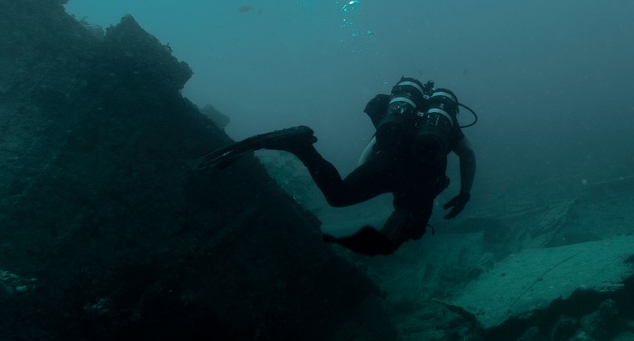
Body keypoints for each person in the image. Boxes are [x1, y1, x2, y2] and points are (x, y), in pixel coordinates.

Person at [196, 77, 476, 256]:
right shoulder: (446, 129)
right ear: (448, 111)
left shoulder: (396, 123)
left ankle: (301, 145)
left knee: (339, 196)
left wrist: (370, 177)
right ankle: (403, 221)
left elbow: (365, 157)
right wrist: (464, 193)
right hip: (423, 178)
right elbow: (467, 156)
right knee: (415, 230)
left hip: (387, 162)